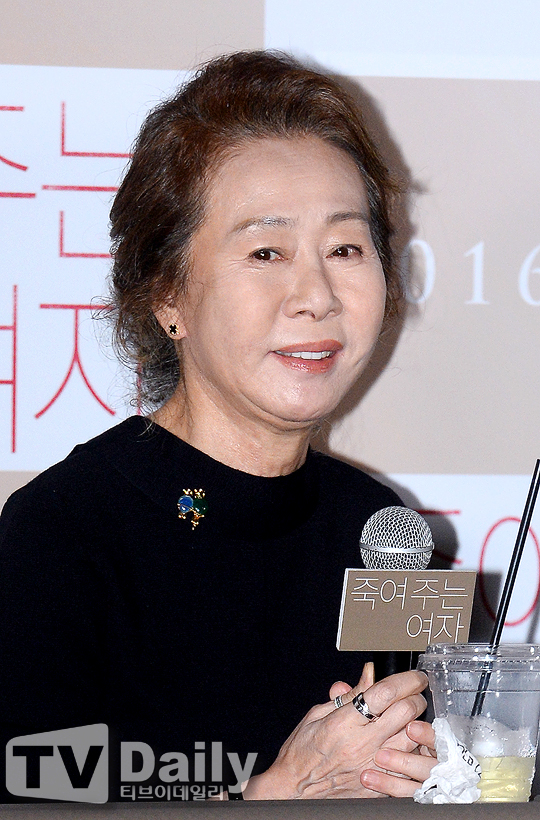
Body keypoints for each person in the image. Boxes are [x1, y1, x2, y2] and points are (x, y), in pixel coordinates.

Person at [0, 50, 436, 801]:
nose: (317, 295)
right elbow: (27, 792)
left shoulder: (382, 532)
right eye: (266, 251)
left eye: (344, 248)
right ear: (167, 294)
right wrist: (273, 796)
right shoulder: (64, 532)